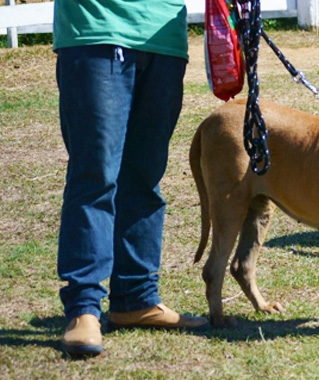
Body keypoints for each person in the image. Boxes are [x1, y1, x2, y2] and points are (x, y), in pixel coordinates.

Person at [53, 0, 208, 356]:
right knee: (95, 177)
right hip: (95, 30)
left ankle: (135, 297)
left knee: (145, 177)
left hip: (163, 37)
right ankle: (84, 307)